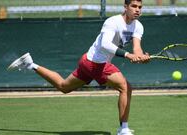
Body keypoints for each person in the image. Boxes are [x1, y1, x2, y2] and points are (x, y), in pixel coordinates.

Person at [8, 0, 150, 135]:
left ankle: (30, 63)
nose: (137, 10)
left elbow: (137, 49)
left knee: (64, 86)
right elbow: (105, 44)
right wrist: (127, 55)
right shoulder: (112, 22)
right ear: (125, 7)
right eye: (134, 6)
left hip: (89, 62)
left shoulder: (138, 26)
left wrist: (141, 57)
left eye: (140, 7)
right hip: (95, 63)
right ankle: (123, 129)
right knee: (125, 87)